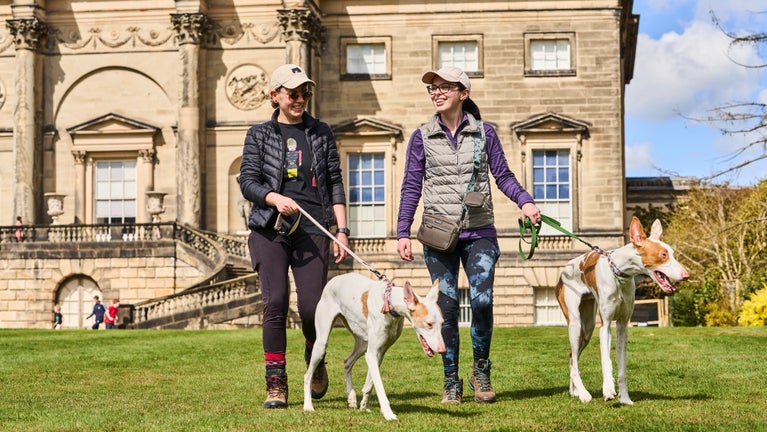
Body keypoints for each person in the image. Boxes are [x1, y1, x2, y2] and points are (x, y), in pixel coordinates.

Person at [396, 66, 541, 405]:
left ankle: (481, 370)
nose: (437, 92)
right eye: (433, 88)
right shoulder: (421, 137)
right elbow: (411, 186)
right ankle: (451, 381)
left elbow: (502, 176)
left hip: (480, 234)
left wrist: (526, 201)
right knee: (444, 306)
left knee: (482, 301)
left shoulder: (485, 134)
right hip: (438, 236)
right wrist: (402, 230)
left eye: (445, 86)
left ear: (464, 93)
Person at [239, 63, 349, 409]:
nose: (300, 99)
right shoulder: (259, 134)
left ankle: (313, 357)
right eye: (293, 93)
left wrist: (341, 231)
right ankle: (276, 382)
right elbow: (248, 181)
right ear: (276, 96)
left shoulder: (320, 132)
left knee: (313, 307)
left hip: (313, 227)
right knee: (274, 303)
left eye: (305, 93)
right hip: (270, 228)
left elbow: (334, 182)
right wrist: (274, 198)